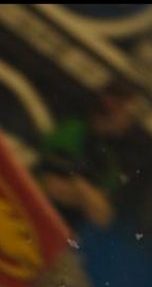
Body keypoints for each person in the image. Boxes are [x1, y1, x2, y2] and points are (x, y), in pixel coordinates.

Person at [34, 80, 139, 229]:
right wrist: (88, 194)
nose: (130, 122)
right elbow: (48, 185)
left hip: (56, 232)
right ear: (112, 106)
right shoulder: (73, 131)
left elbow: (103, 216)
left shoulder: (109, 158)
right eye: (128, 114)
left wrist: (79, 187)